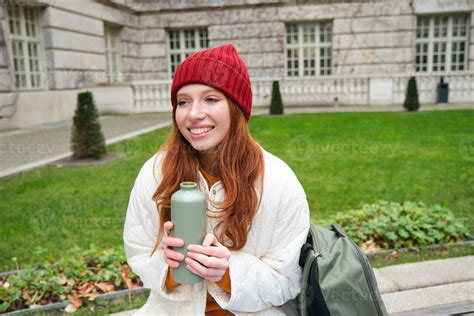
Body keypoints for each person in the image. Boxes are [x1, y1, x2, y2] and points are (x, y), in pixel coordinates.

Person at [123, 43, 310, 315]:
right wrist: (168, 267)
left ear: (236, 108)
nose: (194, 113)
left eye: (211, 99)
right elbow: (138, 254)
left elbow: (289, 279)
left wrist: (226, 271)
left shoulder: (279, 181)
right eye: (183, 101)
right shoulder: (156, 173)